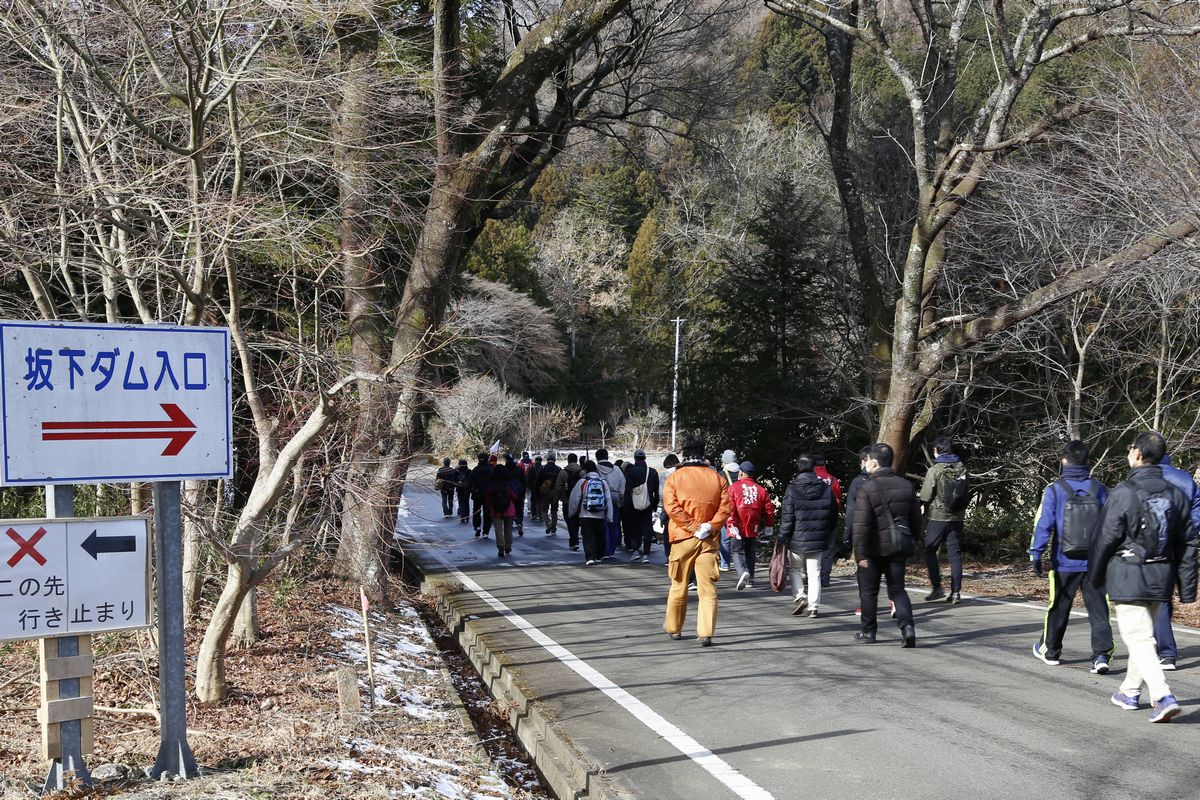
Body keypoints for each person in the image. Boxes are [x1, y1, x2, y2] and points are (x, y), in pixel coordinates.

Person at [1090, 431, 1196, 722]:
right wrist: (1187, 588)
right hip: (1161, 575)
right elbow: (1188, 542)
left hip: (1129, 574)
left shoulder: (1123, 492)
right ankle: (1129, 691)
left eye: (1130, 449)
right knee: (1143, 637)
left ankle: (1162, 696)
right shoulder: (1177, 494)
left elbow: (1105, 539)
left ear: (1137, 454)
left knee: (1137, 638)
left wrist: (1095, 576)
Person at [1029, 440, 1114, 674]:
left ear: (1063, 461)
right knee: (1099, 609)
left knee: (1058, 606)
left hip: (1064, 561)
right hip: (1096, 562)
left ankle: (1051, 651)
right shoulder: (1100, 489)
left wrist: (1036, 554)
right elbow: (1111, 526)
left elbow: (1043, 525)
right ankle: (1101, 656)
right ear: (1088, 462)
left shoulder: (1054, 490)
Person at [663, 436, 731, 646]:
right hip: (709, 538)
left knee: (679, 584)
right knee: (707, 588)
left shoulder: (675, 478)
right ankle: (706, 632)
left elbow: (671, 507)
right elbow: (726, 508)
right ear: (703, 453)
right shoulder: (718, 478)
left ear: (684, 453)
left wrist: (693, 527)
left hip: (683, 537)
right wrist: (709, 526)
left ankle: (674, 628)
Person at [852, 443, 919, 647]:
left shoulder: (868, 487)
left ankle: (868, 631)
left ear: (874, 462)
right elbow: (916, 519)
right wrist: (912, 541)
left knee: (869, 591)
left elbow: (861, 524)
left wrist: (859, 554)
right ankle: (907, 627)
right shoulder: (906, 485)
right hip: (898, 547)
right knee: (898, 590)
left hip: (873, 549)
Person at [1152, 452, 1200, 671]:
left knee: (1158, 597)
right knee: (1165, 595)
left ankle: (1166, 652)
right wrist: (1187, 532)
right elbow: (1197, 512)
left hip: (1153, 546)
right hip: (1181, 544)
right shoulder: (1185, 480)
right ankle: (1160, 639)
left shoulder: (1144, 478)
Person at [779, 454, 836, 617]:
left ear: (798, 467)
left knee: (795, 569)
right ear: (813, 467)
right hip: (818, 537)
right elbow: (833, 514)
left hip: (797, 537)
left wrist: (783, 536)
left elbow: (787, 517)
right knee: (814, 572)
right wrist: (828, 531)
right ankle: (814, 607)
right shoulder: (826, 488)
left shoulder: (792, 488)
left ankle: (799, 596)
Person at [919, 436, 968, 604]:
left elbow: (926, 496)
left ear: (937, 450)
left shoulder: (935, 470)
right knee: (955, 553)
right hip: (957, 517)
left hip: (937, 517)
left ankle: (937, 587)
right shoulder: (962, 468)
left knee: (930, 549)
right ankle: (956, 592)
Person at [726, 461, 775, 591]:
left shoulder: (733, 488)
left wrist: (730, 522)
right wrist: (769, 525)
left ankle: (742, 572)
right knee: (750, 550)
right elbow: (769, 509)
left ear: (741, 472)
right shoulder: (761, 489)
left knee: (736, 550)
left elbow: (730, 507)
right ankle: (751, 579)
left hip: (738, 521)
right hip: (753, 522)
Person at [567, 459, 614, 565]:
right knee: (599, 535)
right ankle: (600, 555)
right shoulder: (603, 482)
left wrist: (571, 512)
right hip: (600, 514)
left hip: (585, 514)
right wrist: (610, 516)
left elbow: (574, 499)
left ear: (585, 470)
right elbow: (608, 499)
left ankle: (590, 557)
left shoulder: (583, 482)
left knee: (588, 536)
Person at [623, 449, 660, 563]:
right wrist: (654, 505)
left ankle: (635, 551)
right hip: (648, 504)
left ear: (635, 458)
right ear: (644, 458)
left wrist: (626, 506)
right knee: (647, 529)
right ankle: (646, 555)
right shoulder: (653, 472)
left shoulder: (631, 471)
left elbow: (628, 490)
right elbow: (656, 492)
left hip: (634, 505)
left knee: (634, 528)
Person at [814, 455, 843, 588]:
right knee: (828, 547)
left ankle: (813, 576)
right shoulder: (833, 479)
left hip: (813, 518)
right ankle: (825, 578)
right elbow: (838, 500)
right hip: (830, 518)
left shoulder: (811, 478)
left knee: (813, 548)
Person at [595, 448, 626, 560]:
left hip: (599, 500)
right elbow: (623, 487)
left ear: (597, 457)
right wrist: (621, 500)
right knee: (613, 524)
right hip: (615, 499)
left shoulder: (595, 469)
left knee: (603, 525)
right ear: (607, 456)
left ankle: (605, 550)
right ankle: (612, 550)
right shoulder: (617, 469)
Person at [487, 464, 518, 558]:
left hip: (496, 509)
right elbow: (514, 495)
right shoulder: (509, 483)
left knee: (498, 529)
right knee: (508, 529)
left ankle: (501, 547)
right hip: (508, 508)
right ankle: (508, 546)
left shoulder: (492, 483)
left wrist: (490, 505)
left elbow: (488, 497)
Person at [555, 453, 585, 551]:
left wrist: (556, 500)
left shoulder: (563, 472)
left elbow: (558, 487)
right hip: (580, 501)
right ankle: (575, 538)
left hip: (567, 501)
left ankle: (574, 540)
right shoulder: (582, 472)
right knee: (577, 520)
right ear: (576, 460)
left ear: (568, 460)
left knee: (570, 521)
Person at [718, 450, 739, 571]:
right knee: (739, 535)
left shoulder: (722, 473)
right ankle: (740, 563)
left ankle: (725, 563)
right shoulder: (743, 472)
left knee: (725, 536)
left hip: (727, 507)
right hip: (742, 508)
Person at [658, 454, 681, 560]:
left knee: (667, 531)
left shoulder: (665, 475)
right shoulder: (681, 473)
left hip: (669, 505)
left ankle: (669, 555)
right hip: (682, 505)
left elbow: (661, 493)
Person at [536, 453, 562, 535]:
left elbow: (538, 481)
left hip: (545, 491)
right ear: (555, 459)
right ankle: (553, 528)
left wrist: (538, 491)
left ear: (547, 459)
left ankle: (548, 523)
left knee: (544, 510)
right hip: (555, 492)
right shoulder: (558, 469)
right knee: (554, 510)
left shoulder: (543, 468)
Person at [469, 453, 494, 537]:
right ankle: (486, 531)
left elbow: (470, 483)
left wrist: (472, 490)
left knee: (476, 510)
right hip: (488, 494)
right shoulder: (490, 470)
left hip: (477, 494)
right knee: (487, 512)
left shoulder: (475, 470)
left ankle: (477, 526)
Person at [454, 458, 472, 524]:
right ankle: (467, 517)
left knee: (461, 502)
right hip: (467, 489)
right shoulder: (469, 471)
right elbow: (471, 481)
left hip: (459, 489)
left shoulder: (456, 472)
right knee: (466, 502)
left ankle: (462, 517)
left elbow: (454, 480)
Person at [527, 456, 544, 522]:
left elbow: (529, 478)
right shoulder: (542, 468)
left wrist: (528, 486)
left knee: (533, 501)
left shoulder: (532, 468)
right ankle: (540, 516)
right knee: (540, 501)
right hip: (541, 487)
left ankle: (533, 514)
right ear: (541, 461)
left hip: (533, 487)